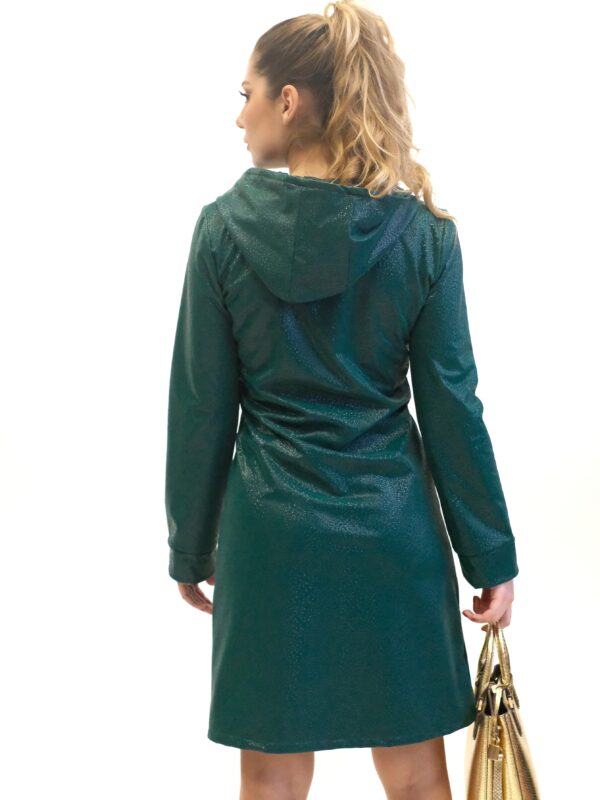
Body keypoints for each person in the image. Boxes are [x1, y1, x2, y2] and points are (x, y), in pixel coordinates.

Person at [164, 1, 518, 797]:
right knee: (417, 779)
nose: (239, 115)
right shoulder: (424, 236)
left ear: (288, 101)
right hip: (393, 537)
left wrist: (190, 546)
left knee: (272, 781)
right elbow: (452, 406)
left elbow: (201, 410)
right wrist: (490, 554)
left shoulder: (221, 232)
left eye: (247, 93)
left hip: (270, 541)